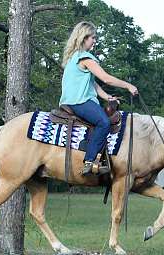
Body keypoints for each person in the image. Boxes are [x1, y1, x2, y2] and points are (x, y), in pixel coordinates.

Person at [59, 21, 139, 176]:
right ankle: (89, 161)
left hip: (71, 100)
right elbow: (106, 78)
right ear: (84, 37)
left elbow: (93, 83)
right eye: (92, 38)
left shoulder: (73, 58)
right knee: (104, 122)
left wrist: (106, 96)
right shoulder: (85, 57)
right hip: (79, 101)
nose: (95, 41)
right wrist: (128, 86)